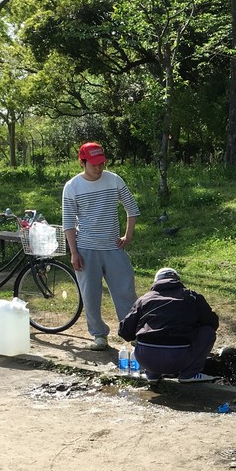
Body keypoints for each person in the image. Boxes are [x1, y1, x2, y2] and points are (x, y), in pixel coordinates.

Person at [62, 142, 140, 351]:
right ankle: (98, 334)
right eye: (94, 164)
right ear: (82, 162)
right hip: (86, 249)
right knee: (90, 295)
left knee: (125, 291)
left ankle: (133, 333)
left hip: (113, 248)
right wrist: (74, 252)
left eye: (101, 163)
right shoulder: (72, 187)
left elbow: (132, 208)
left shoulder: (114, 180)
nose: (99, 168)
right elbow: (68, 222)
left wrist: (128, 236)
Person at [118, 268, 219, 384]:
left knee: (144, 335)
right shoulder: (192, 296)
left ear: (156, 282)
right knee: (208, 332)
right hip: (178, 359)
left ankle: (152, 374)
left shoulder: (144, 299)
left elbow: (125, 332)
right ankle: (189, 374)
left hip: (145, 359)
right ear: (177, 280)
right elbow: (212, 323)